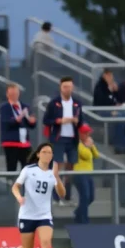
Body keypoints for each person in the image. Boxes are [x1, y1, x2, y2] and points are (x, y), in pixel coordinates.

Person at [11, 142, 65, 248]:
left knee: (46, 242)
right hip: (27, 215)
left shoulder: (52, 173)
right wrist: (19, 197)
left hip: (44, 215)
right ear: (38, 154)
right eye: (45, 152)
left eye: (50, 153)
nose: (48, 155)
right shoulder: (28, 170)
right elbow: (15, 187)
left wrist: (57, 177)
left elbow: (62, 194)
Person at [43, 76, 83, 205]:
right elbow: (46, 120)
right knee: (57, 167)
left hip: (72, 139)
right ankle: (56, 197)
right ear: (60, 87)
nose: (68, 89)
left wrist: (77, 122)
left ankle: (67, 195)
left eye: (70, 87)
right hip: (58, 138)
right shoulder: (54, 103)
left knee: (71, 167)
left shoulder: (77, 103)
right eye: (65, 87)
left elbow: (81, 120)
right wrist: (58, 121)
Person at [0, 83, 36, 171]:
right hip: (11, 142)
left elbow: (31, 124)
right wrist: (17, 119)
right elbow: (6, 122)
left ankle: (27, 184)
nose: (14, 96)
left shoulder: (25, 106)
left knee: (30, 165)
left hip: (25, 143)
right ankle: (11, 183)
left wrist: (32, 121)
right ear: (7, 94)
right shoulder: (4, 108)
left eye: (15, 93)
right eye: (12, 94)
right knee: (11, 167)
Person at [73, 124, 98, 224]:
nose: (88, 135)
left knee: (91, 197)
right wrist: (87, 146)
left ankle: (78, 213)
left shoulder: (88, 143)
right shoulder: (76, 143)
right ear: (80, 134)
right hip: (79, 173)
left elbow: (96, 155)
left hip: (88, 173)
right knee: (85, 196)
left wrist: (91, 146)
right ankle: (84, 220)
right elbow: (86, 155)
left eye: (88, 133)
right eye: (86, 133)